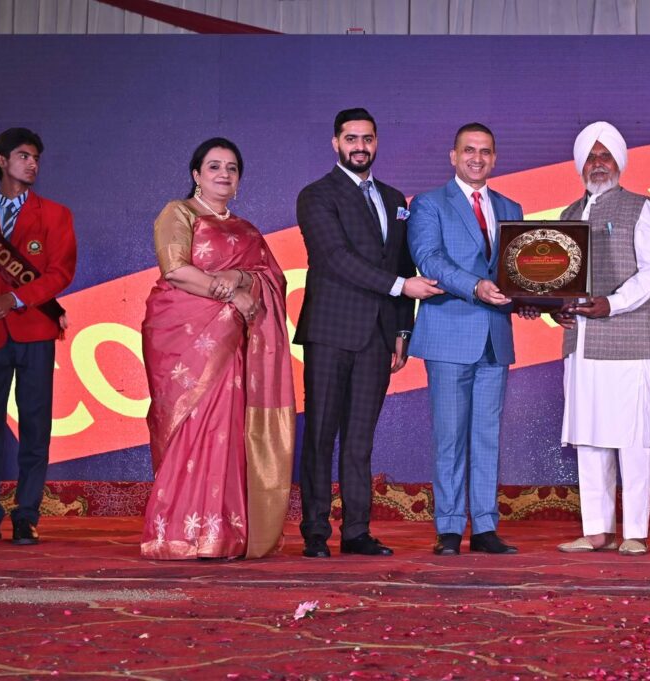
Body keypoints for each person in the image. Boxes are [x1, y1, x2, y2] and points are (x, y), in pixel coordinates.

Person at [295, 108, 442, 558]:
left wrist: (403, 328)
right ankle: (315, 532)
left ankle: (356, 531)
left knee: (360, 439)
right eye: (351, 138)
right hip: (330, 331)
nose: (360, 146)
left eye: (367, 138)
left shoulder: (395, 198)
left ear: (376, 142)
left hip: (378, 336)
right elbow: (335, 258)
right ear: (335, 143)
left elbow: (402, 264)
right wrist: (401, 286)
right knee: (320, 435)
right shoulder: (316, 195)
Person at [141, 137, 295, 560]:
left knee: (226, 430)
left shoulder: (247, 231)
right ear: (196, 174)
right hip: (185, 338)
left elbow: (271, 277)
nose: (223, 174)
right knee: (193, 425)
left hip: (232, 346)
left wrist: (243, 280)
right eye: (214, 166)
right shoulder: (179, 213)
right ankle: (179, 533)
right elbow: (175, 270)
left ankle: (221, 533)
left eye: (231, 168)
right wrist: (230, 293)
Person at [547, 122, 650, 557]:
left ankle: (634, 531)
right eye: (591, 157)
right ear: (580, 164)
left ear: (619, 162)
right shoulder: (567, 215)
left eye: (606, 156)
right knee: (590, 436)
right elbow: (556, 276)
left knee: (633, 439)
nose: (598, 164)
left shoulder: (640, 207)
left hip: (628, 341)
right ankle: (597, 530)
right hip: (580, 345)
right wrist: (555, 306)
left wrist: (613, 304)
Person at [407, 123, 524, 556]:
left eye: (485, 151)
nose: (477, 158)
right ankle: (451, 527)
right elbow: (429, 259)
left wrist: (531, 300)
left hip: (495, 335)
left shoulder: (510, 206)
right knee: (451, 437)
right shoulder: (429, 204)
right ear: (453, 156)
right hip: (448, 335)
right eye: (469, 150)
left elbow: (518, 271)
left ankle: (486, 527)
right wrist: (475, 286)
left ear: (495, 158)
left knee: (488, 436)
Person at [0, 128, 76, 545]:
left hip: (35, 333)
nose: (32, 164)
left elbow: (60, 273)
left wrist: (14, 298)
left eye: (36, 158)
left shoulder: (56, 214)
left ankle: (26, 514)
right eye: (23, 156)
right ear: (1, 161)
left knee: (35, 426)